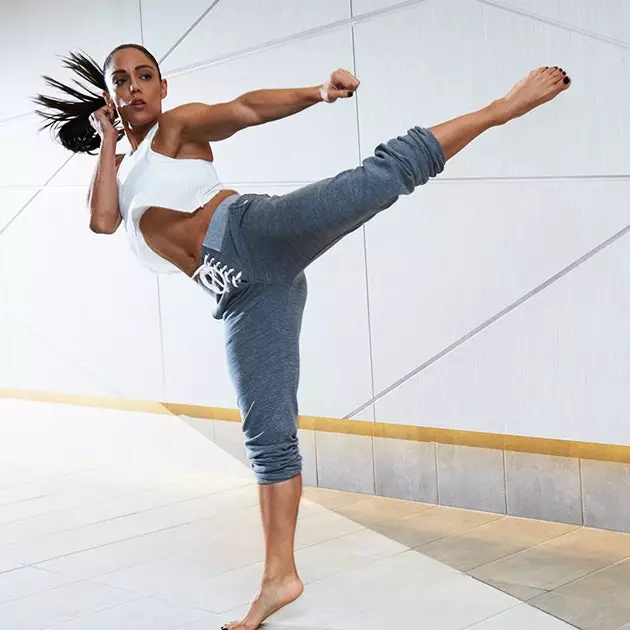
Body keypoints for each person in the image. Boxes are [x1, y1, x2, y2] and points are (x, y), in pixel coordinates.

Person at [35, 43, 571, 630]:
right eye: (121, 81)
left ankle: (502, 107)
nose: (134, 87)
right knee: (267, 436)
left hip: (255, 233)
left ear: (163, 87)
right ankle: (279, 578)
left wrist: (317, 93)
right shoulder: (118, 170)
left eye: (145, 76)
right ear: (110, 97)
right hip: (244, 294)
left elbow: (243, 109)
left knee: (383, 175)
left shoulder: (178, 126)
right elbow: (102, 220)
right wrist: (108, 142)